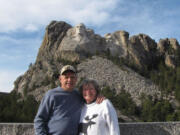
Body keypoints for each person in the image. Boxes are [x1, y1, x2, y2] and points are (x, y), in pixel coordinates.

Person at [34, 65, 104, 135]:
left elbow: (90, 100)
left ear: (76, 79)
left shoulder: (79, 95)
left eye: (72, 77)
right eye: (66, 77)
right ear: (60, 79)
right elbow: (39, 120)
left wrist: (98, 96)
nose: (69, 80)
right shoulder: (51, 95)